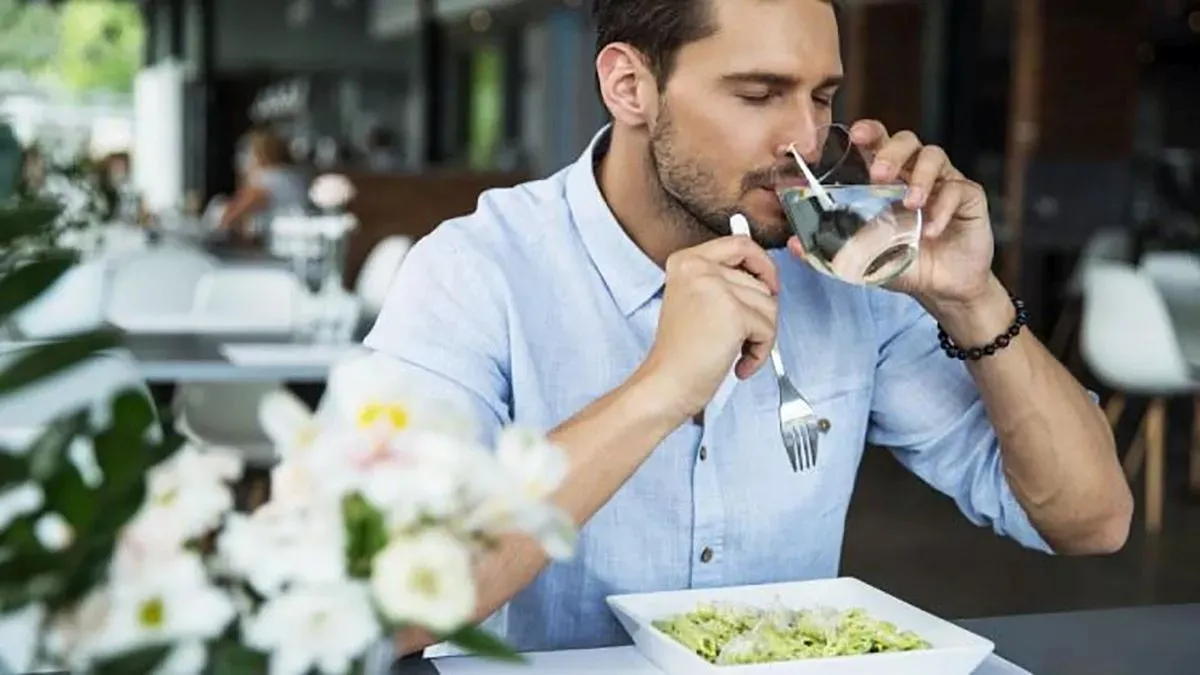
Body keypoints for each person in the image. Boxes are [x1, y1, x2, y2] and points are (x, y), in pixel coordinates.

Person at [364, 0, 1133, 656]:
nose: (804, 138)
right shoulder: (478, 270)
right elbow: (383, 604)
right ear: (629, 85)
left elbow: (1091, 520)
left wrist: (971, 297)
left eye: (823, 97)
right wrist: (660, 390)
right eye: (760, 93)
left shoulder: (847, 267)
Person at [219, 128, 309, 237]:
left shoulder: (268, 178)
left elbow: (232, 216)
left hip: (282, 242)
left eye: (246, 153)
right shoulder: (291, 176)